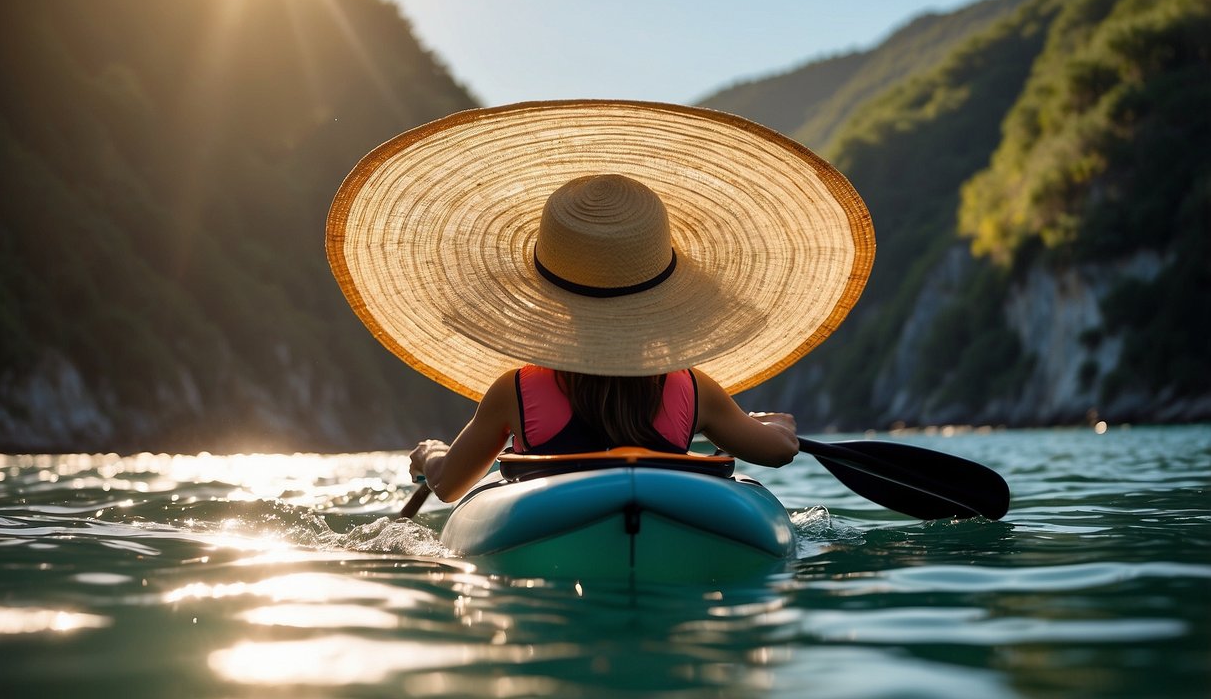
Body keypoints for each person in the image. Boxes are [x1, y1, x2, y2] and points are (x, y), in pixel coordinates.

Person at [325, 101, 875, 504]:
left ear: (551, 296)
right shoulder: (693, 389)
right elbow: (776, 452)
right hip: (673, 509)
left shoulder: (515, 390)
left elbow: (449, 487)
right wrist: (777, 426)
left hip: (550, 515)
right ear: (660, 292)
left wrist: (431, 456)